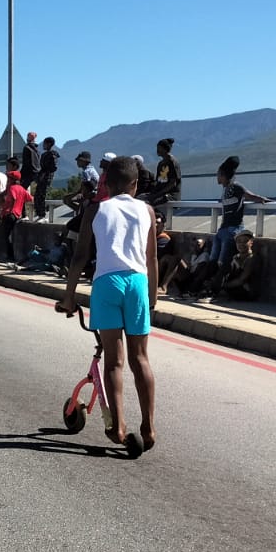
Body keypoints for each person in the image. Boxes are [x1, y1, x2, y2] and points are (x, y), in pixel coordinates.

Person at [56, 155, 158, 450]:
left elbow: (80, 256)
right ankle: (149, 428)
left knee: (114, 361)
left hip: (106, 283)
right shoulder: (147, 210)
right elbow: (151, 258)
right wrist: (151, 298)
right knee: (141, 359)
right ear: (135, 184)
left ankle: (118, 425)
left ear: (106, 184)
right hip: (137, 283)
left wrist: (69, 297)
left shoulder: (95, 209)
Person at [211, 155, 273, 270]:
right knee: (213, 260)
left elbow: (250, 196)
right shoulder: (226, 189)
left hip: (232, 228)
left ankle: (220, 280)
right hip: (223, 229)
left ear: (223, 175)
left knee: (222, 262)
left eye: (218, 174)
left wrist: (263, 199)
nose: (217, 177)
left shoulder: (236, 187)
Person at [215, 231, 263, 301]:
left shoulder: (252, 258)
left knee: (228, 265)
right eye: (239, 241)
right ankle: (211, 290)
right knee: (216, 264)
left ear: (251, 243)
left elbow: (241, 280)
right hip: (236, 288)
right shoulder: (236, 257)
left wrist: (222, 286)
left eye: (245, 241)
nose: (241, 244)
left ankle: (214, 291)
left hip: (247, 292)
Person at [144, 138, 181, 223]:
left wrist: (158, 194)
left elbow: (173, 183)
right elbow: (158, 182)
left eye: (159, 148)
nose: (157, 150)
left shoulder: (172, 162)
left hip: (170, 195)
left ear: (165, 149)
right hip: (160, 194)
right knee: (141, 198)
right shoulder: (160, 164)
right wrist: (152, 192)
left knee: (149, 202)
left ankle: (160, 220)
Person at [0, 169, 31, 260]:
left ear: (12, 179)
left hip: (9, 214)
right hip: (16, 215)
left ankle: (10, 256)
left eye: (9, 178)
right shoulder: (22, 189)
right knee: (12, 236)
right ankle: (12, 255)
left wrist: (4, 210)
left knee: (6, 236)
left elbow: (12, 198)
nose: (8, 180)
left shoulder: (11, 188)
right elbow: (30, 198)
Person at [34, 137, 60, 218]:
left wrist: (45, 173)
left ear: (49, 144)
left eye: (44, 143)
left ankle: (42, 214)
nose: (43, 145)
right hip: (41, 177)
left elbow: (53, 167)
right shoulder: (44, 154)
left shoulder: (52, 155)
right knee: (37, 195)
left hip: (46, 178)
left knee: (42, 195)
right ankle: (39, 213)